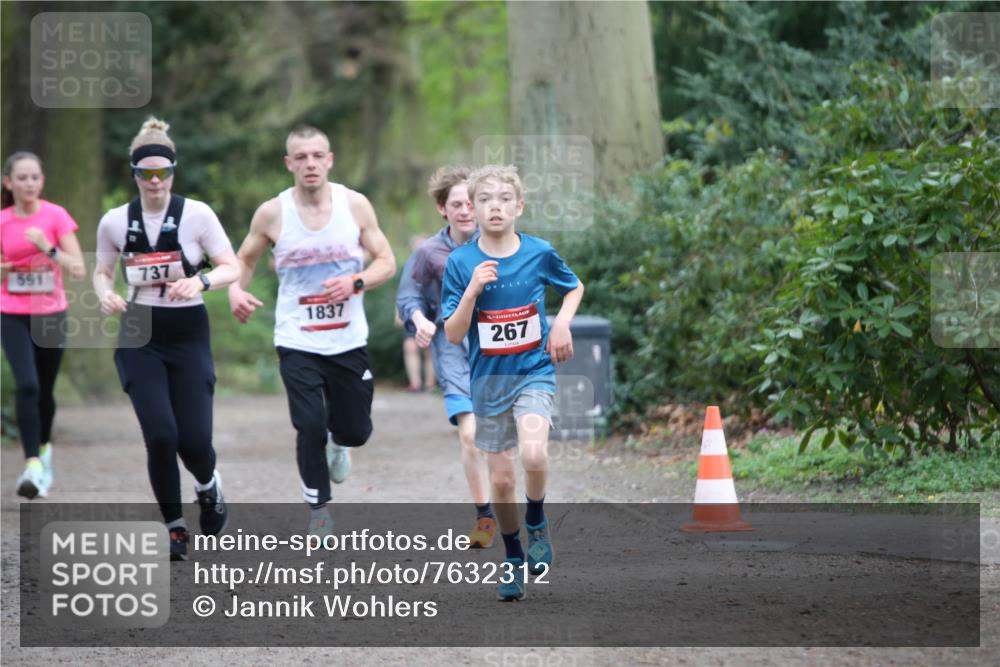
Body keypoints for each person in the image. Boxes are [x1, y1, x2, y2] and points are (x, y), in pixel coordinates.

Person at [228, 126, 395, 535]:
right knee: (308, 424)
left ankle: (341, 443)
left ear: (330, 159)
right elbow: (245, 259)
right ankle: (319, 510)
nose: (310, 164)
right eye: (301, 157)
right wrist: (234, 290)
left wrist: (356, 282)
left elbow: (386, 260)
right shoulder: (272, 213)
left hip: (347, 337)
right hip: (297, 336)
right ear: (289, 164)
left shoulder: (354, 205)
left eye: (317, 155)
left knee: (355, 430)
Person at [93, 118, 240, 560]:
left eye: (163, 173)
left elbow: (231, 266)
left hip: (187, 331)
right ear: (134, 174)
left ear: (173, 172)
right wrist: (106, 294)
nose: (155, 182)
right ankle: (175, 527)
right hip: (139, 331)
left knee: (194, 441)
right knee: (160, 435)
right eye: (146, 174)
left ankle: (208, 487)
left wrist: (203, 283)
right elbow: (102, 272)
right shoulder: (116, 221)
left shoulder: (197, 215)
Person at [442, 164, 584, 601]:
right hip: (488, 383)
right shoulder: (461, 262)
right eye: (485, 200)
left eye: (504, 198)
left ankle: (537, 519)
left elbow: (574, 287)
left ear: (518, 206)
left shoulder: (539, 252)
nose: (495, 206)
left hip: (533, 372)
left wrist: (561, 324)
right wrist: (471, 292)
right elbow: (452, 333)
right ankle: (513, 555)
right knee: (502, 481)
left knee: (536, 451)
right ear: (473, 208)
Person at [396, 166, 496, 548]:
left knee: (501, 445)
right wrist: (419, 319)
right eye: (457, 203)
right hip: (454, 355)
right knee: (470, 437)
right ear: (443, 208)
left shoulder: (504, 244)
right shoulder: (428, 252)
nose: (466, 210)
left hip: (499, 355)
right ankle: (484, 516)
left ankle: (516, 510)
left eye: (472, 202)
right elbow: (408, 297)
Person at [1, 151, 85, 499]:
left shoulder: (56, 216)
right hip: (11, 311)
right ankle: (33, 462)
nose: (29, 183)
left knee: (45, 389)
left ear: (42, 181)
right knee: (29, 385)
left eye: (35, 177)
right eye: (22, 178)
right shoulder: (3, 221)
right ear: (8, 183)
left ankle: (45, 450)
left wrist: (46, 247)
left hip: (50, 312)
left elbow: (78, 268)